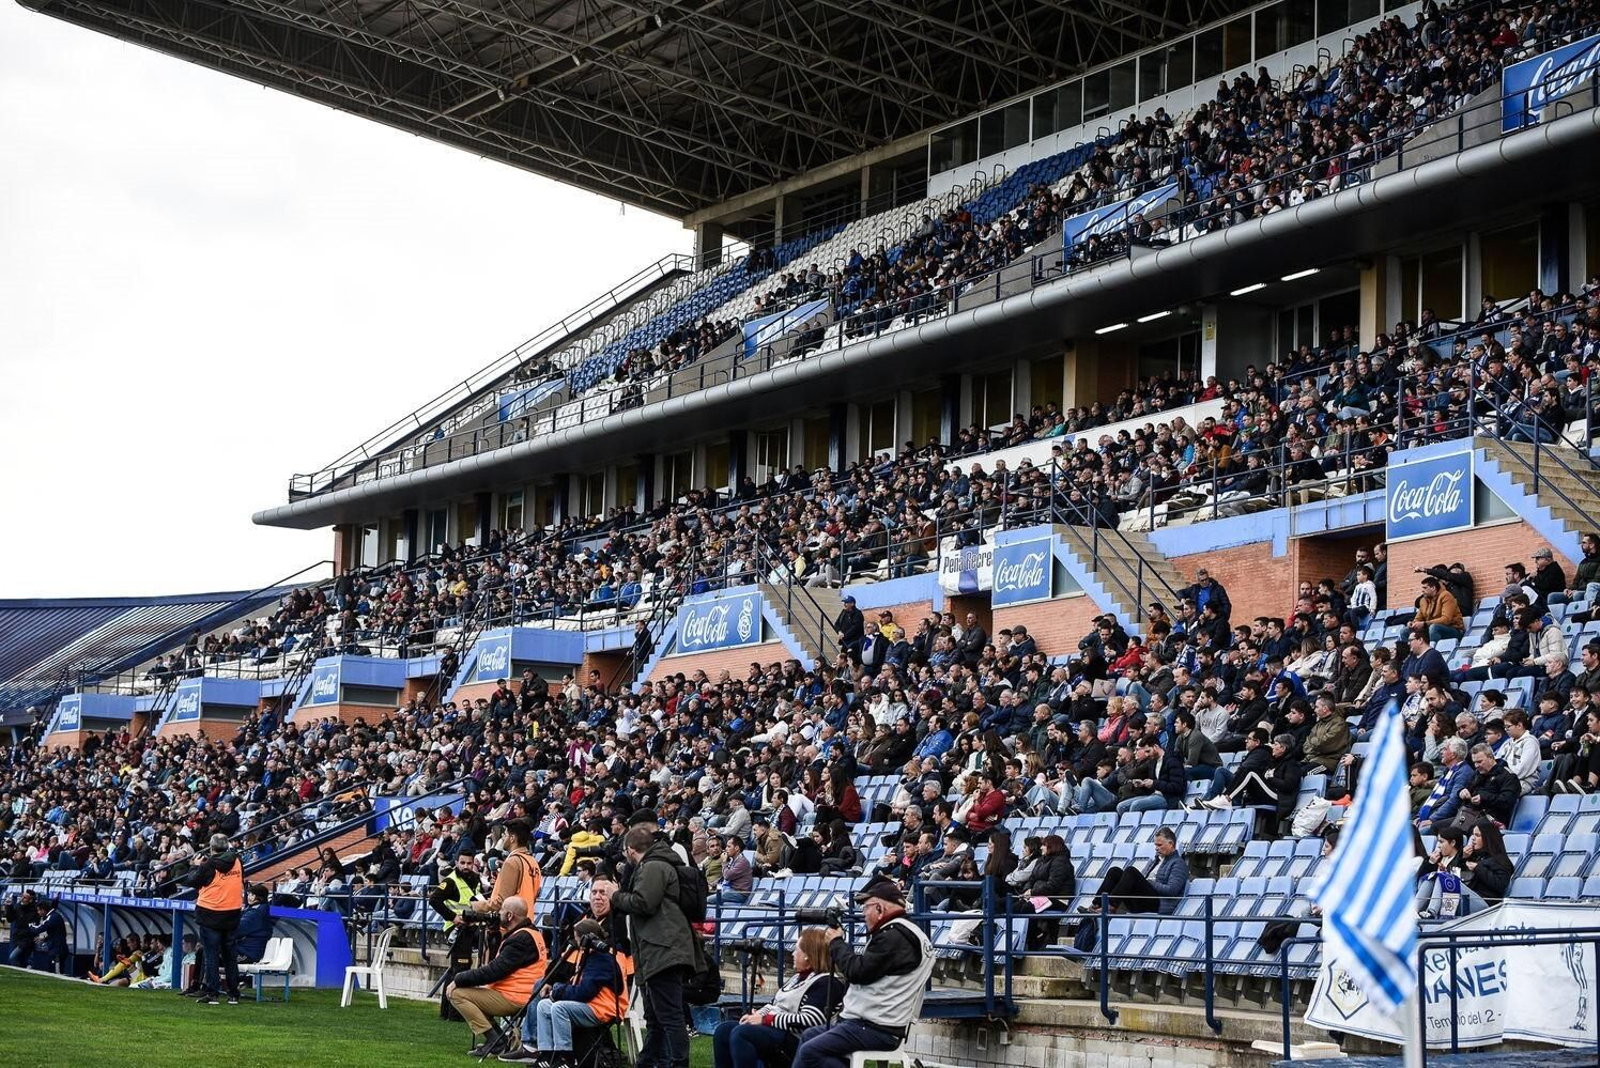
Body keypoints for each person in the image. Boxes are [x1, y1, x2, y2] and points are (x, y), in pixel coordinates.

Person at [792, 879, 934, 1068]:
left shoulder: (894, 937)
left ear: (879, 909)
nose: (863, 915)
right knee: (810, 1036)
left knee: (810, 1051)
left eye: (865, 908)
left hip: (876, 1027)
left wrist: (836, 943)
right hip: (872, 1022)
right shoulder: (904, 932)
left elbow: (856, 972)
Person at [610, 826, 701, 1068]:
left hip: (664, 949)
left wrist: (616, 896)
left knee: (669, 1016)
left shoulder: (652, 867)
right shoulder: (653, 865)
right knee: (656, 1017)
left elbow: (644, 902)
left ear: (630, 850)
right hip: (659, 948)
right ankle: (650, 1061)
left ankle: (677, 1063)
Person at [713, 928, 846, 1068]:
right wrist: (757, 1015)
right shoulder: (796, 978)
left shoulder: (826, 982)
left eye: (796, 950)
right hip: (776, 1030)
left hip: (796, 1039)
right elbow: (773, 1005)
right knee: (724, 1030)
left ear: (808, 955)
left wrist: (766, 1019)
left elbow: (811, 1020)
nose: (793, 954)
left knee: (742, 1034)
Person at [513, 919, 628, 1068]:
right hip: (591, 1005)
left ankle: (565, 1057)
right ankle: (547, 1055)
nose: (575, 941)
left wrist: (558, 991)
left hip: (603, 1009)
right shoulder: (590, 954)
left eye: (576, 937)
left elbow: (585, 993)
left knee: (559, 1008)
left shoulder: (601, 959)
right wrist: (557, 990)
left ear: (585, 939)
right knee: (543, 1005)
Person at [447, 895, 547, 1058]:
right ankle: (499, 1039)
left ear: (509, 916)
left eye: (501, 910)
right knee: (472, 994)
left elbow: (494, 971)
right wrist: (493, 933)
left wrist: (458, 979)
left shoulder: (520, 939)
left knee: (457, 994)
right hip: (522, 993)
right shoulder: (531, 933)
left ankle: (495, 1041)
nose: (497, 913)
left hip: (514, 996)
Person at [186, 833, 244, 1005]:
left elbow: (192, 881)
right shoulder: (238, 860)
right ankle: (233, 994)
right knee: (229, 955)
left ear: (211, 847)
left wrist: (194, 866)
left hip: (210, 912)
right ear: (227, 846)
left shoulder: (209, 865)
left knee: (211, 955)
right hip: (232, 912)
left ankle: (213, 993)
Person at [1082, 827, 1188, 915]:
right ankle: (1096, 904)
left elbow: (1172, 891)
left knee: (1131, 871)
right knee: (1114, 871)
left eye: (1159, 845)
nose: (1156, 848)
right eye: (1155, 845)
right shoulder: (1157, 860)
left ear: (1170, 844)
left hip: (1158, 904)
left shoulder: (1178, 863)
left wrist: (1150, 883)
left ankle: (1111, 907)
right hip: (1143, 899)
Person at [431, 852, 486, 1020]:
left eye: (469, 863)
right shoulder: (450, 881)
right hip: (456, 929)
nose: (465, 866)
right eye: (462, 863)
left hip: (471, 927)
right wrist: (453, 917)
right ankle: (455, 1014)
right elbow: (434, 900)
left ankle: (447, 1012)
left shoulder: (475, 879)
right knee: (460, 969)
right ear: (456, 862)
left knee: (457, 969)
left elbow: (477, 900)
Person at [472, 819, 542, 920]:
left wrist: (475, 906)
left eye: (505, 834)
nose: (503, 838)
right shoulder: (533, 862)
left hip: (511, 923)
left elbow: (501, 902)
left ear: (512, 838)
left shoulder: (512, 862)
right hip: (527, 920)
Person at [235, 885, 274, 965]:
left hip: (247, 953)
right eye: (249, 894)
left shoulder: (255, 913)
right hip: (243, 950)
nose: (249, 897)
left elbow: (237, 930)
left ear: (260, 897)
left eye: (252, 895)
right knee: (207, 950)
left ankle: (210, 977)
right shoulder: (254, 909)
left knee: (210, 952)